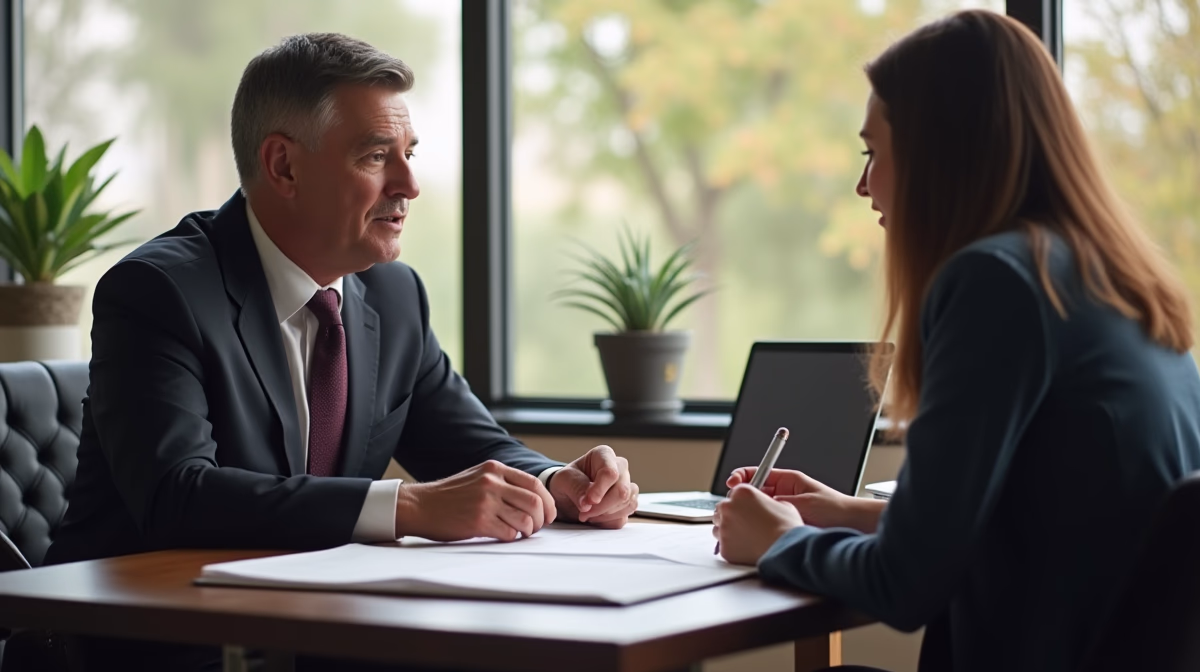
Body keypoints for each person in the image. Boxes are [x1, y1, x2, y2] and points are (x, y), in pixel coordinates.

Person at [45, 33, 638, 670]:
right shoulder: (161, 291)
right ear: (284, 167)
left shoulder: (393, 292)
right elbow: (178, 496)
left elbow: (472, 446)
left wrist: (558, 483)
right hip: (144, 642)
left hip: (316, 628)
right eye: (376, 156)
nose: (410, 184)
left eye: (409, 154)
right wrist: (408, 507)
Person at [711, 10, 1200, 672]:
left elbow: (905, 587)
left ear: (939, 154)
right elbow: (1040, 525)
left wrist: (780, 542)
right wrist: (846, 514)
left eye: (873, 153)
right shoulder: (1104, 277)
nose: (864, 185)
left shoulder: (996, 282)